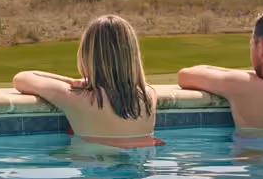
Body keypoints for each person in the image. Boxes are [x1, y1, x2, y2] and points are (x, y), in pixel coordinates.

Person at [13, 14, 161, 148]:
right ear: (132, 54)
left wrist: (70, 81)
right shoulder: (148, 96)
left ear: (87, 54)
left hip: (95, 170)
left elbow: (22, 78)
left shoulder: (77, 98)